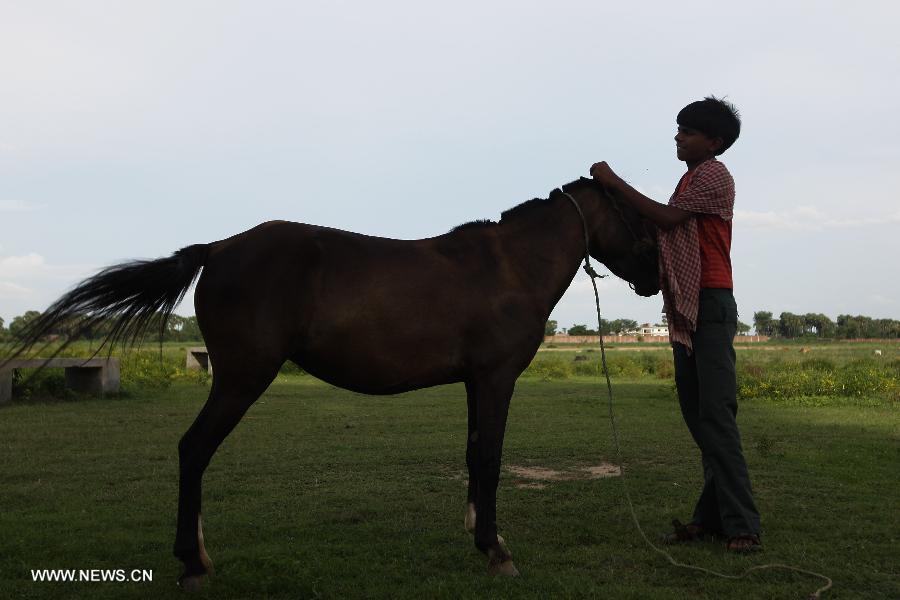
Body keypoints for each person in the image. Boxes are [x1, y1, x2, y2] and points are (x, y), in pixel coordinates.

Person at [590, 96, 762, 553]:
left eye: (687, 131)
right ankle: (710, 519)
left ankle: (743, 525)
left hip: (709, 303)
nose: (678, 137)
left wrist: (612, 181)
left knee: (717, 419)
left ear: (715, 142)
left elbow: (667, 219)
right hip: (691, 306)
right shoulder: (690, 178)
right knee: (701, 419)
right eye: (678, 129)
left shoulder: (713, 177)